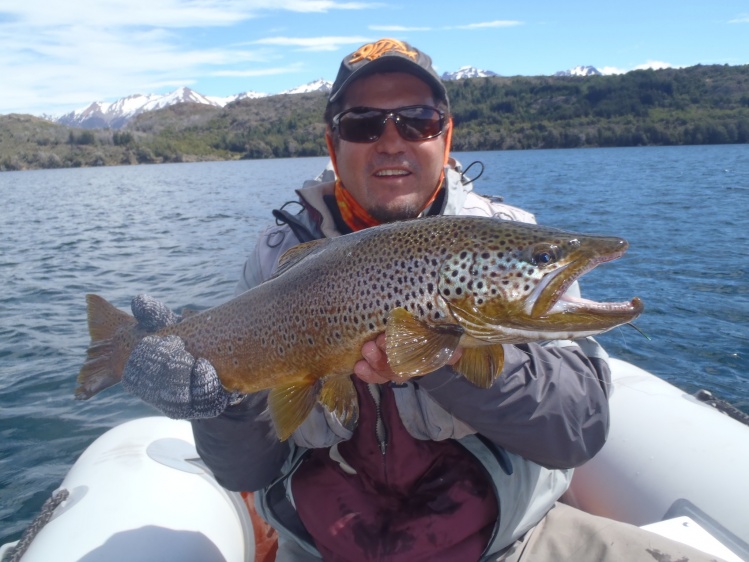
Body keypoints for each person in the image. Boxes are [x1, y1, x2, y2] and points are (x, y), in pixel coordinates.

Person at [122, 39, 725, 561]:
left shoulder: (507, 234)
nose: (391, 142)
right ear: (333, 144)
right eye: (363, 124)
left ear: (445, 134)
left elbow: (578, 430)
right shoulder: (275, 263)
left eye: (416, 120)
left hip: (512, 543)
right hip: (324, 549)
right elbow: (244, 473)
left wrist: (447, 355)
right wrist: (217, 401)